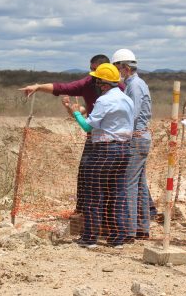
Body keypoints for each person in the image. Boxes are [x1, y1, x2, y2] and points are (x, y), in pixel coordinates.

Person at [19, 55, 110, 214]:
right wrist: (38, 87)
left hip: (113, 140)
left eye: (95, 70)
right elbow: (61, 87)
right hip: (94, 138)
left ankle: (108, 216)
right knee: (85, 174)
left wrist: (76, 114)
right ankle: (83, 212)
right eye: (91, 69)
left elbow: (85, 123)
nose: (92, 74)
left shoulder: (118, 90)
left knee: (112, 179)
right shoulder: (88, 83)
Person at [63, 63, 135, 248]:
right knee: (117, 194)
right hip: (124, 150)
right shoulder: (127, 99)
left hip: (104, 150)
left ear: (103, 83)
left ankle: (90, 237)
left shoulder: (104, 101)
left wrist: (77, 114)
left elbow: (88, 126)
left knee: (94, 193)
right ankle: (118, 237)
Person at [111, 49, 154, 240]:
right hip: (140, 137)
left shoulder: (134, 86)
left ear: (125, 68)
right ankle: (141, 228)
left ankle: (128, 231)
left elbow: (132, 113)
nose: (116, 72)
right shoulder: (135, 83)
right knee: (140, 185)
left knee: (128, 184)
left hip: (136, 138)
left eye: (117, 68)